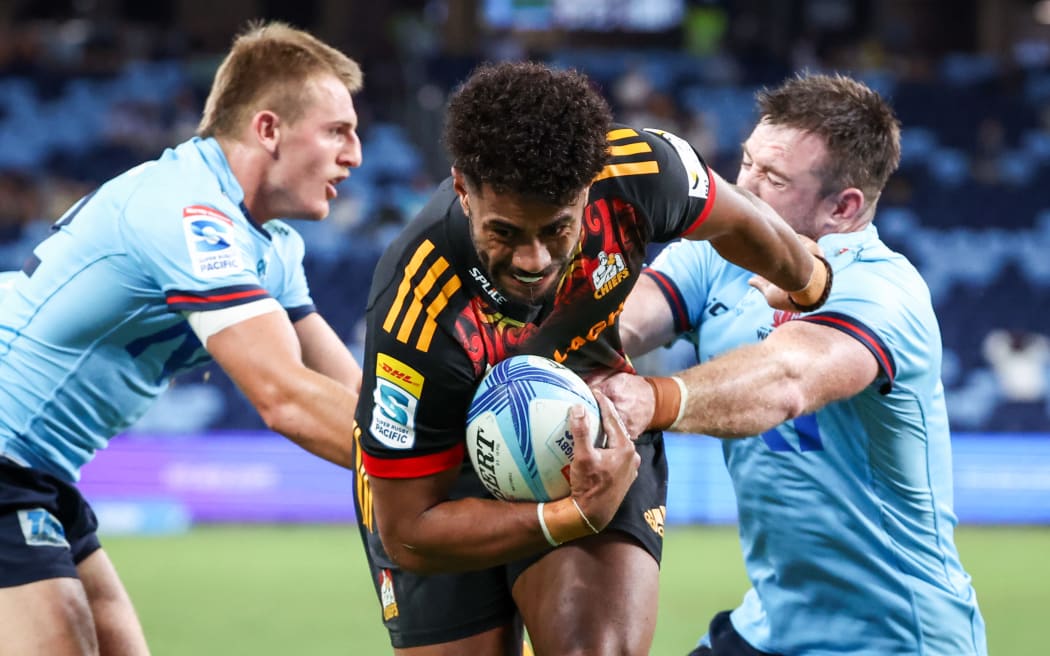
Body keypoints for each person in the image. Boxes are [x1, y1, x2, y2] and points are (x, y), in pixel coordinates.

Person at [351, 61, 831, 655]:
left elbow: (740, 219)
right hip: (444, 478)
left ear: (587, 190)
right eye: (505, 232)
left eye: (556, 229)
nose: (532, 260)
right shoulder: (415, 303)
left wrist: (810, 279)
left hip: (588, 416)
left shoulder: (641, 172)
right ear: (461, 190)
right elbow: (407, 533)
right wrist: (566, 518)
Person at [0, 22, 364, 655]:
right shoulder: (190, 210)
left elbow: (353, 393)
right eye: (338, 130)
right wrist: (458, 467)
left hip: (40, 470)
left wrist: (458, 440)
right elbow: (286, 398)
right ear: (268, 129)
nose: (355, 154)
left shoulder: (273, 247)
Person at [600, 73, 988, 655]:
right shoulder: (716, 255)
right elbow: (622, 323)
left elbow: (787, 380)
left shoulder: (884, 292)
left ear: (843, 206)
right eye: (747, 163)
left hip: (899, 638)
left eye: (772, 178)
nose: (740, 188)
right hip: (771, 626)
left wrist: (650, 400)